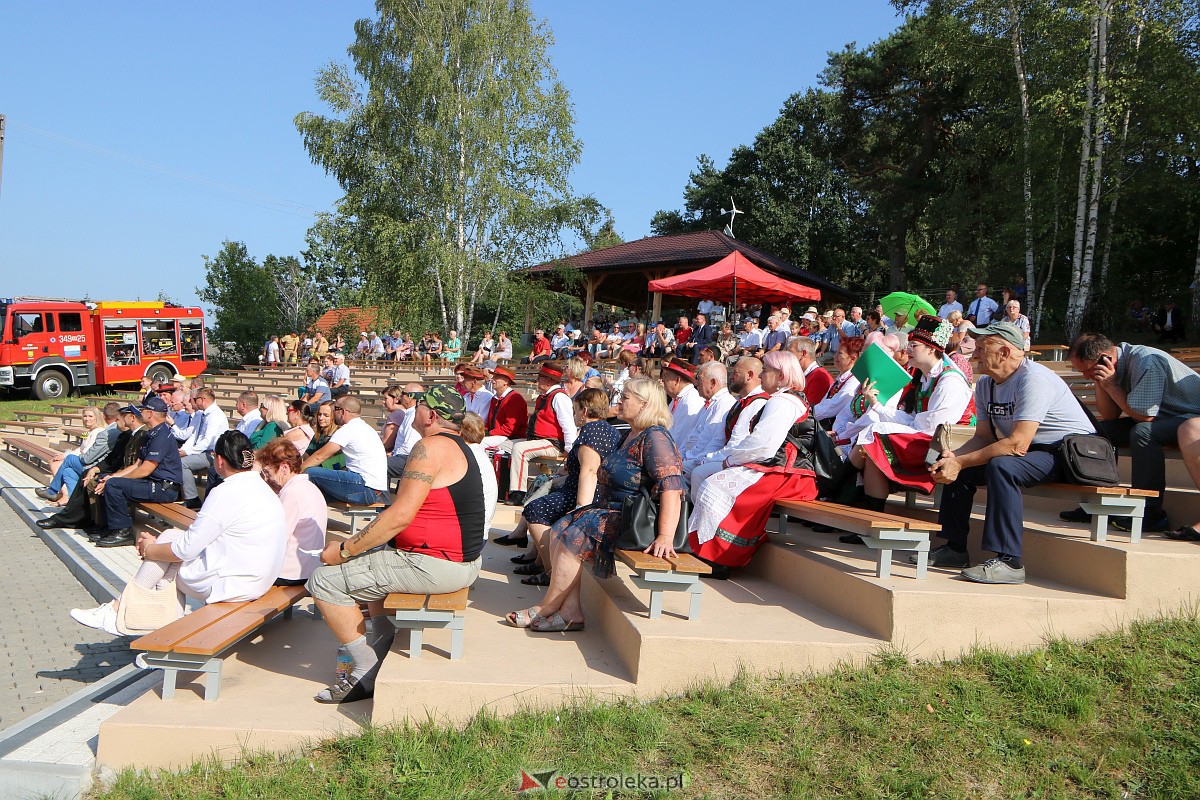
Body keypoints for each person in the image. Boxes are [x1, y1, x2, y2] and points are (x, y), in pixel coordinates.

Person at [307, 385, 486, 703]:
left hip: (437, 565)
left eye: (417, 405)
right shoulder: (456, 445)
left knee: (322, 581)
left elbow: (400, 515)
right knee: (374, 552)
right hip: (455, 562)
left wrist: (346, 549)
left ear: (430, 415)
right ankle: (383, 636)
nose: (412, 409)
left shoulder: (430, 447)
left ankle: (364, 671)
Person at [505, 377, 683, 632]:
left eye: (626, 397)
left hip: (634, 520)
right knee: (561, 528)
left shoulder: (656, 437)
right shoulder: (631, 433)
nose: (620, 401)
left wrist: (665, 536)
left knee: (575, 533)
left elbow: (672, 487)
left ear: (644, 404)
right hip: (613, 511)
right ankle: (571, 611)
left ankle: (546, 607)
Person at [69, 431, 287, 636]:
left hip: (235, 584)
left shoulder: (225, 492)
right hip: (259, 578)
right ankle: (150, 623)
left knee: (169, 557)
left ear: (219, 460)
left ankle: (124, 613)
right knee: (171, 539)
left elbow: (185, 550)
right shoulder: (262, 488)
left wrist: (150, 549)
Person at [926, 322, 1095, 584]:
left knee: (1002, 467)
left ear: (1005, 352)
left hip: (1068, 454)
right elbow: (983, 437)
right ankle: (954, 548)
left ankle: (1010, 562)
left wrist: (961, 461)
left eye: (982, 348)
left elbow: (1017, 444)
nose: (975, 354)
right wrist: (954, 458)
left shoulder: (1033, 379)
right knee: (959, 467)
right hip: (1031, 451)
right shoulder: (986, 385)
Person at [838, 317, 973, 541]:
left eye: (914, 345)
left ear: (931, 349)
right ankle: (869, 523)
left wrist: (882, 420)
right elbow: (912, 419)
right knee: (872, 445)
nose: (908, 349)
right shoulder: (925, 376)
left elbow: (932, 427)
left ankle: (835, 491)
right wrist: (876, 405)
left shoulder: (950, 381)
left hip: (944, 447)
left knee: (873, 440)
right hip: (926, 436)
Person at [688, 351, 819, 575]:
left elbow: (763, 444)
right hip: (777, 468)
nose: (762, 376)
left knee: (714, 485)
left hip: (786, 474)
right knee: (711, 481)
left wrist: (731, 460)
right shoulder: (783, 400)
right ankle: (710, 551)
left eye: (766, 371)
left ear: (781, 376)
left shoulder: (784, 402)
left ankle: (721, 557)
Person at [1061, 333, 1200, 533]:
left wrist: (1111, 384)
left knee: (1143, 432)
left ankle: (1151, 513)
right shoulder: (1112, 367)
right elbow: (1109, 415)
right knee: (1099, 432)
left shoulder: (1146, 361)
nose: (1085, 376)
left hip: (1190, 417)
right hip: (1163, 418)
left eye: (1088, 370)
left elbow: (1145, 417)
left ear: (1105, 358)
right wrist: (1102, 382)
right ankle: (1097, 503)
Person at [502, 389, 621, 585]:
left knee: (534, 509)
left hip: (588, 496)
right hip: (589, 490)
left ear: (584, 411)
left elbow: (590, 471)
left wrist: (581, 509)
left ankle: (552, 571)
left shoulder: (591, 431)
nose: (574, 415)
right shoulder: (608, 429)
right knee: (545, 500)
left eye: (575, 410)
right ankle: (539, 561)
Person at [93, 396, 185, 547]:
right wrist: (112, 476)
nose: (140, 413)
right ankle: (109, 527)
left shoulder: (161, 435)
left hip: (163, 488)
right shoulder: (153, 433)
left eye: (143, 410)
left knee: (115, 485)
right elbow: (137, 464)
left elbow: (145, 470)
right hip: (153, 483)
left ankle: (123, 531)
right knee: (106, 480)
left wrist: (116, 481)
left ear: (150, 414)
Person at [687, 356, 770, 504]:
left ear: (749, 375)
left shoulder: (756, 403)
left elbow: (736, 444)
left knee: (699, 473)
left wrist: (709, 458)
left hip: (747, 462)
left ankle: (708, 522)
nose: (731, 377)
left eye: (735, 373)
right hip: (733, 457)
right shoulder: (742, 402)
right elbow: (722, 440)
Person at [257, 437, 327, 586]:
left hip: (292, 572)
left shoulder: (292, 493)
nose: (266, 478)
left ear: (284, 468)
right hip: (309, 567)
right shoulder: (308, 487)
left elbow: (277, 538)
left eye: (267, 472)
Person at [504, 362, 577, 504]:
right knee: (502, 446)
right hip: (538, 441)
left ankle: (518, 493)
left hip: (553, 443)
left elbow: (568, 426)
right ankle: (502, 488)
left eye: (540, 377)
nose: (537, 380)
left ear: (549, 381)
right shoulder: (544, 397)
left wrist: (570, 449)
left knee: (520, 449)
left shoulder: (559, 397)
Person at [302, 396, 390, 506]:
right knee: (315, 493)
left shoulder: (348, 430)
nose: (333, 413)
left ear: (342, 411)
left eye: (335, 409)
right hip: (372, 490)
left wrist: (297, 472)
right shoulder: (365, 428)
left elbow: (320, 456)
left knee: (310, 472)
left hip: (364, 487)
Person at [37, 405, 111, 506]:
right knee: (68, 472)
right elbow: (80, 449)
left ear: (97, 418)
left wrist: (68, 456)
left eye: (90, 416)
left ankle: (52, 491)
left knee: (70, 459)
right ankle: (73, 502)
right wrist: (64, 455)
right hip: (85, 461)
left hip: (92, 466)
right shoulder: (91, 432)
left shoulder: (98, 432)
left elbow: (88, 454)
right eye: (85, 416)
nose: (87, 419)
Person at [178, 388, 229, 510]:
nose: (194, 402)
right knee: (177, 459)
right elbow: (196, 436)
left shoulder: (215, 415)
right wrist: (183, 450)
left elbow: (207, 441)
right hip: (204, 451)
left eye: (195, 399)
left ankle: (192, 499)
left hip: (213, 454)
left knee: (182, 463)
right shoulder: (204, 414)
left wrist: (187, 453)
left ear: (203, 399)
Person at [661, 358, 705, 456]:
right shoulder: (678, 399)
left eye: (666, 376)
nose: (663, 380)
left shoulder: (690, 402)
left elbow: (680, 439)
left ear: (677, 380)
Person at [383, 383, 425, 478]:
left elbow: (409, 446)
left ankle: (381, 493)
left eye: (403, 394)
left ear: (410, 397)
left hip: (407, 458)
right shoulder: (410, 413)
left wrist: (393, 454)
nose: (401, 396)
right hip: (404, 456)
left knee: (377, 465)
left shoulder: (414, 414)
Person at [481, 367, 528, 448]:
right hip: (498, 435)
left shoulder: (515, 399)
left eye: (496, 377)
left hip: (511, 437)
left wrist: (490, 433)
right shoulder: (494, 398)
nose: (492, 379)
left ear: (506, 381)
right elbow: (490, 422)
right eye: (493, 377)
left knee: (480, 443)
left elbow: (510, 428)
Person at [789, 336, 832, 409]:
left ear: (803, 353)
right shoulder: (805, 374)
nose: (788, 357)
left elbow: (809, 412)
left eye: (791, 353)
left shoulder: (819, 377)